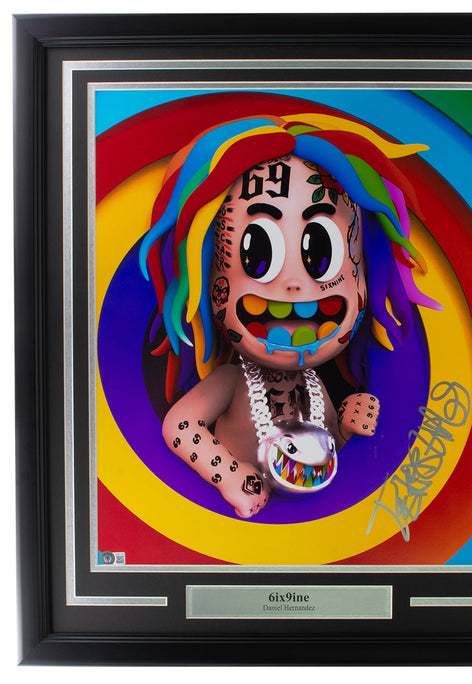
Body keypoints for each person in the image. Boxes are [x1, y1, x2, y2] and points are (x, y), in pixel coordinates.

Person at [139, 106, 438, 518]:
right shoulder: (231, 380)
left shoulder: (315, 385)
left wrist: (346, 427)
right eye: (258, 254)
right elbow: (181, 427)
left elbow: (326, 444)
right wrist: (230, 477)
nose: (294, 284)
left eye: (320, 254)